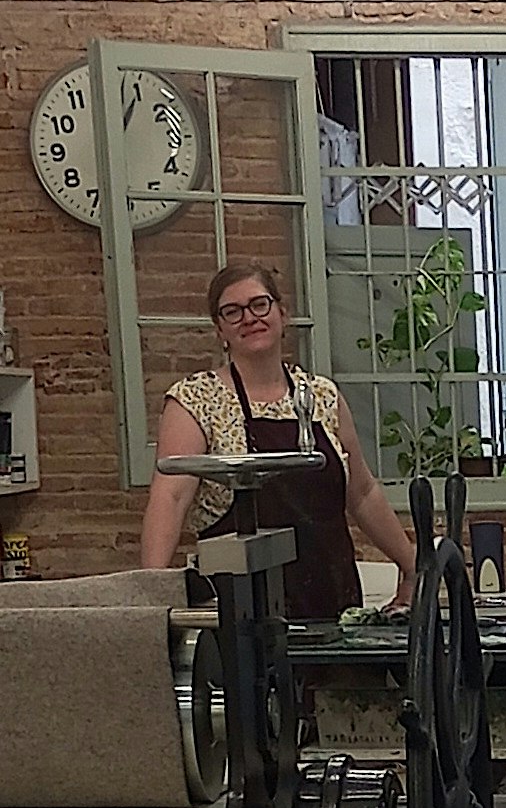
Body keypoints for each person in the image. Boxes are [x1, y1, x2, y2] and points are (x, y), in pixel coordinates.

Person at [137, 260, 416, 618]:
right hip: (239, 615)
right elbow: (170, 498)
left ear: (282, 314)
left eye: (259, 304)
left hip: (331, 602)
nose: (249, 318)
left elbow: (362, 493)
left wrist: (412, 567)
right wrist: (151, 601)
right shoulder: (195, 400)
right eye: (232, 312)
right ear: (219, 329)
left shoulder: (321, 395)